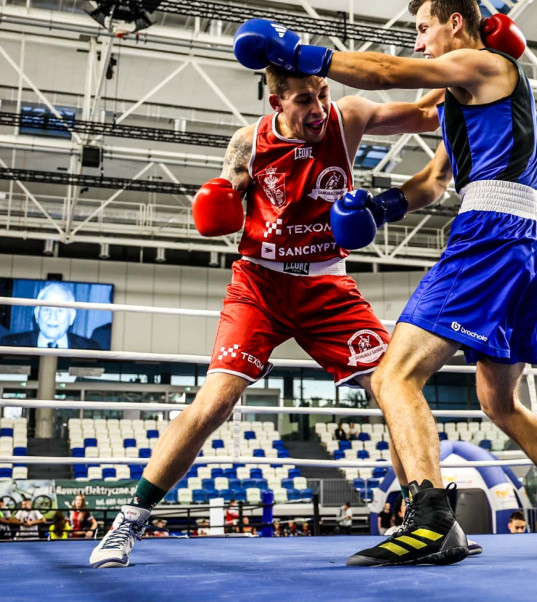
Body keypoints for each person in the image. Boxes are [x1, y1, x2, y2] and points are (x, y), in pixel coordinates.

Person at [231, 0, 537, 565]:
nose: (417, 40)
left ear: (457, 25)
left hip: (490, 234)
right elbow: (435, 182)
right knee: (500, 403)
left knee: (394, 376)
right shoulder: (461, 101)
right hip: (525, 241)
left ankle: (432, 521)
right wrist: (380, 206)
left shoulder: (484, 62)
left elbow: (387, 73)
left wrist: (299, 54)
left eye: (422, 27)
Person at [89, 61, 445, 569]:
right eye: (304, 99)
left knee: (395, 385)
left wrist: (472, 69)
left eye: (322, 93)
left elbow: (431, 114)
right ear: (276, 102)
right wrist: (221, 203)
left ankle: (427, 519)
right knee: (215, 403)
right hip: (259, 284)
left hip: (327, 285)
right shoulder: (247, 143)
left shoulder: (349, 118)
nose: (318, 108)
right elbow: (226, 201)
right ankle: (131, 518)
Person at [0, 282, 100, 349]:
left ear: (72, 317)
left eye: (60, 311)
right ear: (37, 313)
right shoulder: (10, 345)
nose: (52, 317)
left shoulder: (91, 349)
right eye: (47, 309)